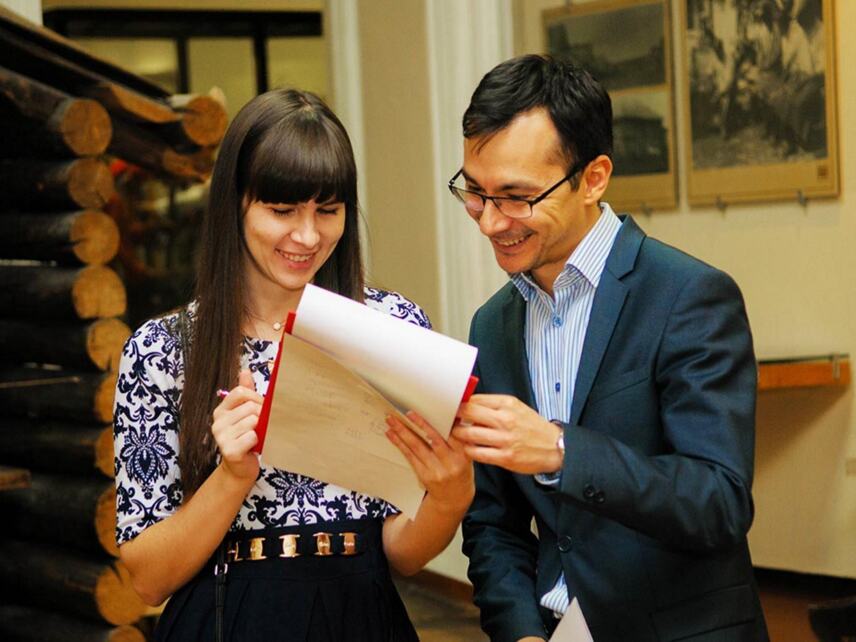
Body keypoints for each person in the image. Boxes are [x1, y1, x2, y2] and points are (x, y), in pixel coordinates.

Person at [113, 88, 474, 641]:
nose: (307, 236)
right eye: (281, 211)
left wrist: (449, 497)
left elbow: (401, 553)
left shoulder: (392, 329)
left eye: (328, 211)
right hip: (227, 618)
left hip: (362, 615)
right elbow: (148, 579)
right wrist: (233, 476)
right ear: (234, 204)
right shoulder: (162, 350)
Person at [450, 55, 769, 641]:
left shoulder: (688, 295)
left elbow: (718, 502)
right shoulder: (492, 325)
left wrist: (562, 452)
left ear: (594, 178)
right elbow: (493, 523)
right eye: (475, 192)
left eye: (517, 197)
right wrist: (521, 632)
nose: (490, 222)